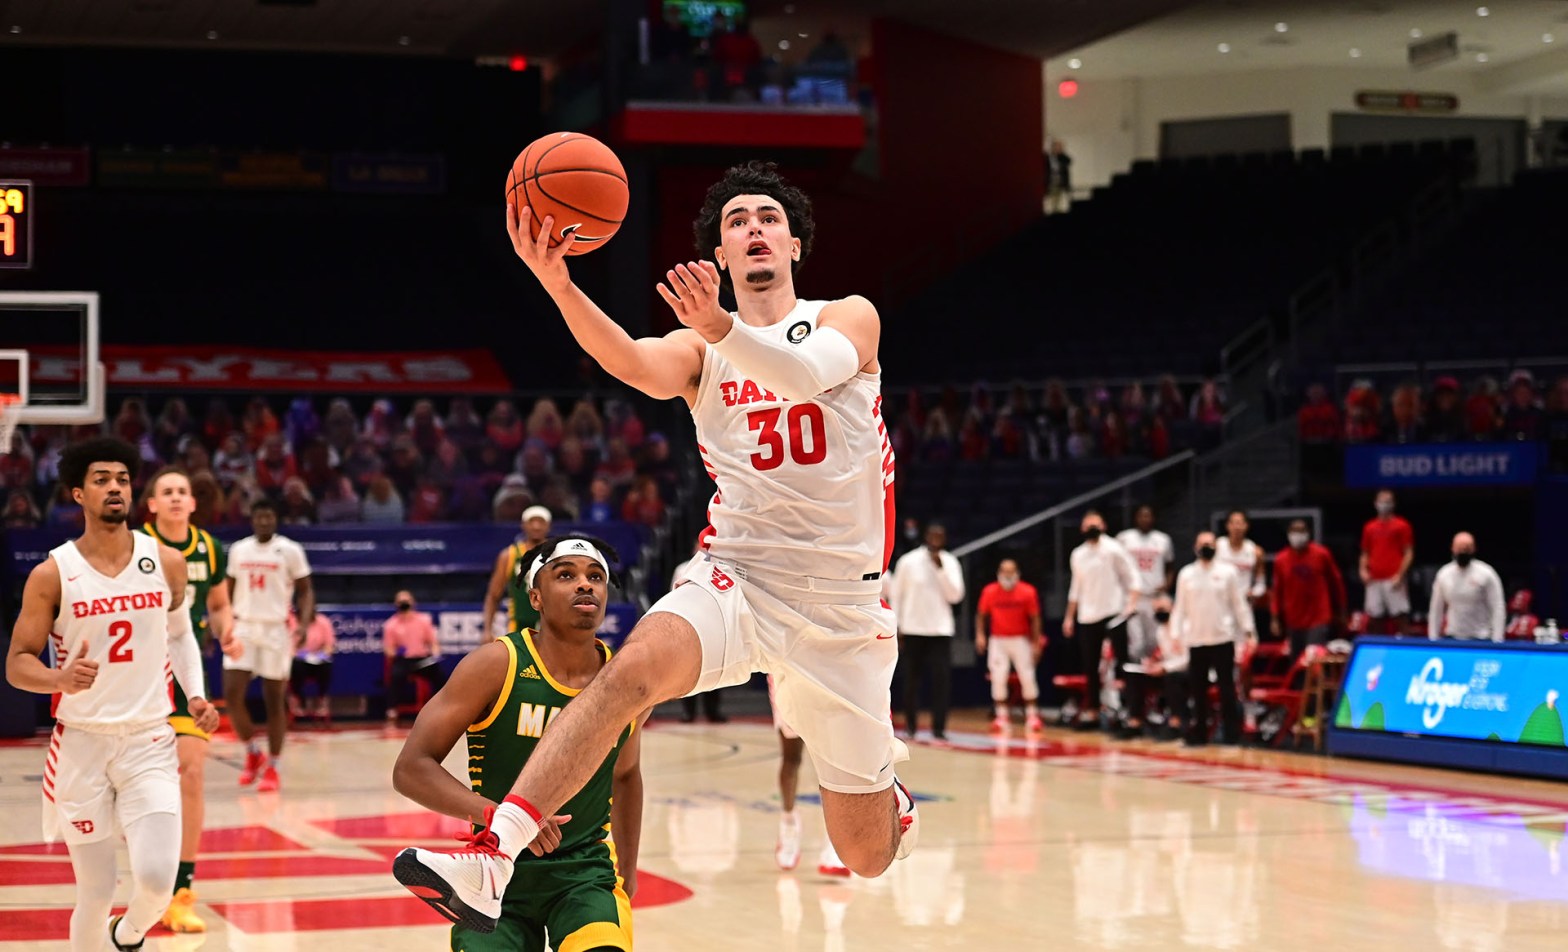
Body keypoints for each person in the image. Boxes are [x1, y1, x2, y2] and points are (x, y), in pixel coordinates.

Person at [395, 160, 918, 932]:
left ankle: (890, 803)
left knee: (865, 855)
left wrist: (720, 327)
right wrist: (558, 283)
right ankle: (494, 857)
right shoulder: (701, 352)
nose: (754, 227)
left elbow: (804, 378)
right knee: (629, 671)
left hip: (842, 607)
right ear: (721, 255)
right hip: (739, 576)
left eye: (769, 218)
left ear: (794, 245)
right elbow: (630, 362)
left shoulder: (846, 317)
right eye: (737, 221)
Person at [5, 437, 218, 952]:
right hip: (82, 743)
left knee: (157, 882)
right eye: (101, 480)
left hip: (149, 739)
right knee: (97, 890)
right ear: (78, 493)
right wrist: (57, 679)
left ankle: (127, 936)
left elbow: (180, 635)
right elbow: (16, 664)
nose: (115, 487)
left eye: (122, 479)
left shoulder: (165, 561)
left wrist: (194, 694)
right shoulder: (52, 573)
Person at [392, 537, 646, 951]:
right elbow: (411, 768)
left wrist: (629, 870)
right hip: (493, 872)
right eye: (566, 575)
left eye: (595, 577)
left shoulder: (626, 678)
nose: (585, 584)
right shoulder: (496, 664)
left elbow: (627, 773)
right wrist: (508, 819)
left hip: (584, 873)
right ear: (535, 597)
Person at [136, 466, 236, 933]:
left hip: (186, 673)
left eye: (183, 491)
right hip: (137, 674)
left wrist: (227, 630)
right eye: (167, 492)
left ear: (193, 503)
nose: (176, 497)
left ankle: (181, 891)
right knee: (139, 786)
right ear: (152, 504)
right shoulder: (136, 544)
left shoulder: (210, 548)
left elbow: (218, 604)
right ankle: (147, 880)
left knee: (191, 773)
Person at [224, 497, 314, 793]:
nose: (264, 521)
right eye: (259, 516)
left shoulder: (290, 550)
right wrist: (223, 623)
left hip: (276, 629)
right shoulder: (239, 549)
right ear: (252, 519)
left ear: (276, 520)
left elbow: (305, 590)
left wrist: (303, 624)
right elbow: (228, 590)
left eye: (269, 516)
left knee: (274, 699)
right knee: (232, 694)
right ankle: (252, 751)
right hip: (243, 626)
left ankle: (273, 766)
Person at [1168, 531, 1256, 746]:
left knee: (1227, 688)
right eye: (1202, 544)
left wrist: (1249, 631)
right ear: (1195, 547)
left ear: (1216, 547)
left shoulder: (1228, 572)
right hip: (1196, 640)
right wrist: (1175, 634)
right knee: (1198, 690)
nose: (1206, 547)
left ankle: (1231, 734)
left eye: (1210, 543)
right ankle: (1199, 732)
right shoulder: (1187, 574)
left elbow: (1239, 604)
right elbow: (1179, 607)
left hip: (1222, 639)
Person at [1062, 510, 1139, 730]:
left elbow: (1132, 577)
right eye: (1088, 525)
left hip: (1113, 613)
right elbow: (1075, 588)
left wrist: (1131, 604)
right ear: (1082, 529)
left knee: (1122, 664)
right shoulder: (1078, 554)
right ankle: (1093, 711)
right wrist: (1069, 617)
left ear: (1103, 526)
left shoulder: (1114, 548)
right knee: (1090, 667)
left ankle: (1129, 711)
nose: (1092, 528)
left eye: (1095, 524)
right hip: (1088, 616)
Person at [889, 523, 965, 743]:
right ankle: (911, 726)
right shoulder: (908, 561)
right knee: (911, 680)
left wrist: (941, 570)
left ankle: (939, 728)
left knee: (941, 681)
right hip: (913, 629)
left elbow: (956, 596)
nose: (935, 539)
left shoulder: (950, 562)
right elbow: (896, 595)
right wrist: (897, 625)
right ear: (926, 537)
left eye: (940, 536)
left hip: (940, 630)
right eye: (932, 535)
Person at [770, 676, 848, 877]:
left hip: (823, 678)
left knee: (830, 760)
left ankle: (835, 842)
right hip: (786, 676)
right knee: (791, 757)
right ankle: (788, 823)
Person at [974, 558, 1045, 735]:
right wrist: (980, 635)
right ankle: (1002, 716)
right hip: (998, 640)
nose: (1008, 575)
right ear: (999, 573)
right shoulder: (989, 591)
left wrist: (1036, 642)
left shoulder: (1028, 592)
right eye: (1005, 571)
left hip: (1021, 639)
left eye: (1011, 571)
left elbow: (1035, 618)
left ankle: (1032, 715)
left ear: (1017, 572)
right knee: (998, 677)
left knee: (1027, 676)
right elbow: (981, 615)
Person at [1270, 520, 1348, 658]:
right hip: (1293, 619)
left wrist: (1341, 610)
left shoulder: (1322, 554)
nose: (1298, 535)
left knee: (1314, 659)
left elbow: (1336, 583)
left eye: (1301, 531)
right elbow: (1277, 590)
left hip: (1318, 617)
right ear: (1288, 534)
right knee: (1296, 661)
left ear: (1308, 533)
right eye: (1294, 531)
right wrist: (1275, 618)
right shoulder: (1281, 559)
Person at [671, 540, 726, 724]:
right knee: (688, 670)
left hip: (712, 623)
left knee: (714, 669)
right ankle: (688, 712)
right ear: (694, 548)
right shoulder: (682, 569)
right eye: (700, 546)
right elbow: (673, 594)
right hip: (688, 622)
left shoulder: (720, 569)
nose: (703, 549)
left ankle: (713, 711)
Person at [1116, 504, 1174, 666]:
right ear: (1135, 518)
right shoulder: (1124, 538)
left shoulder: (1163, 539)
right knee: (1136, 642)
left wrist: (1166, 585)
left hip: (1155, 596)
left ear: (1153, 518)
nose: (1145, 519)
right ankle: (1136, 675)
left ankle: (1154, 675)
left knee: (1155, 639)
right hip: (1133, 597)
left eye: (1148, 515)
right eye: (1141, 515)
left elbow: (1170, 566)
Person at [484, 504, 552, 638]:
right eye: (532, 521)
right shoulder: (509, 555)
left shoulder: (557, 553)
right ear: (523, 525)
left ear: (549, 526)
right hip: (519, 623)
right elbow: (493, 595)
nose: (536, 526)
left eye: (541, 522)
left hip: (551, 622)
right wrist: (487, 629)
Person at [384, 590, 448, 722]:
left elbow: (433, 643)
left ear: (413, 602)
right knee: (396, 676)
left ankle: (444, 705)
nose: (404, 603)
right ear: (396, 604)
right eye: (401, 601)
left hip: (422, 660)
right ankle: (392, 710)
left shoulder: (424, 620)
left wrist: (436, 653)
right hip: (404, 660)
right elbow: (388, 649)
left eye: (406, 601)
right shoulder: (391, 625)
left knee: (439, 674)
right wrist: (396, 652)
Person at [1428, 532, 1505, 641]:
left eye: (1467, 548)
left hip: (1481, 637)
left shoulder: (1487, 573)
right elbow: (1436, 609)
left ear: (1474, 549)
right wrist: (1433, 638)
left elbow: (1498, 607)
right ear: (1453, 548)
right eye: (1460, 548)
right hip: (1452, 636)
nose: (1463, 552)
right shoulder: (1444, 574)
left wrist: (1498, 639)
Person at [1359, 489, 1414, 635]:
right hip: (1373, 580)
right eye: (1381, 501)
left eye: (1388, 501)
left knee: (1401, 618)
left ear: (1393, 504)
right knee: (1374, 620)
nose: (1384, 504)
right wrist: (1363, 570)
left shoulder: (1402, 525)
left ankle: (1405, 646)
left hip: (1394, 579)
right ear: (1375, 503)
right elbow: (1365, 553)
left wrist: (1400, 575)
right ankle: (1378, 647)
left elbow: (1408, 553)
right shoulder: (1369, 527)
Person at [289, 608, 336, 718]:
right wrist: (300, 655)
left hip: (318, 660)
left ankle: (322, 699)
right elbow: (288, 648)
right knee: (296, 666)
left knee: (327, 665)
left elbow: (329, 646)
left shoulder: (323, 621)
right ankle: (297, 698)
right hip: (299, 660)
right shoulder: (292, 622)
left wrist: (321, 655)